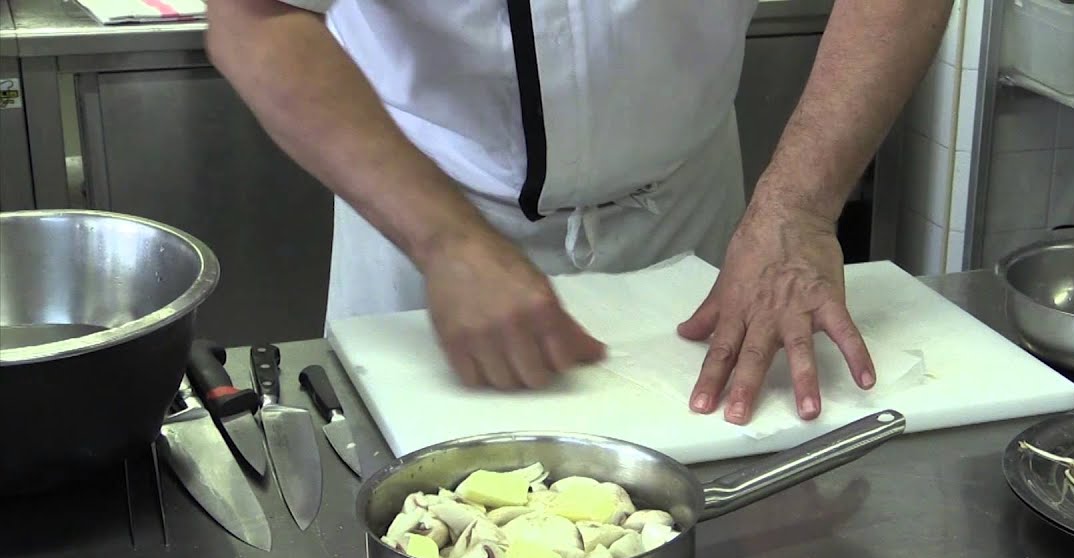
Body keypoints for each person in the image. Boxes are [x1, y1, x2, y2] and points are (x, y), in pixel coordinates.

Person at [207, 0, 953, 426]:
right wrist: (444, 241)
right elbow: (256, 20)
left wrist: (797, 210)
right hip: (423, 213)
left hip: (688, 214)